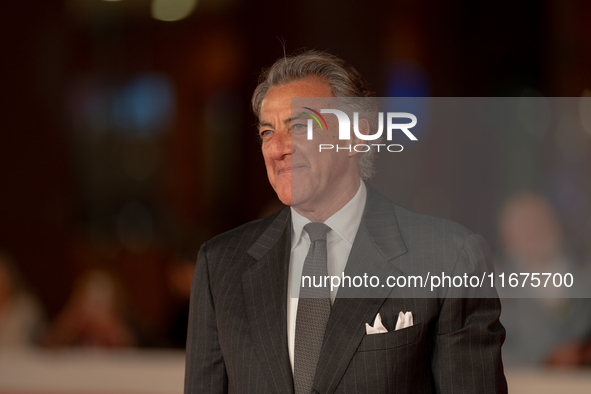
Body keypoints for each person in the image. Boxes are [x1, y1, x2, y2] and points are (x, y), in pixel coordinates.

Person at [185, 50, 507, 393]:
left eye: (299, 125)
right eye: (267, 132)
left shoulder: (448, 256)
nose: (277, 148)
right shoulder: (219, 264)